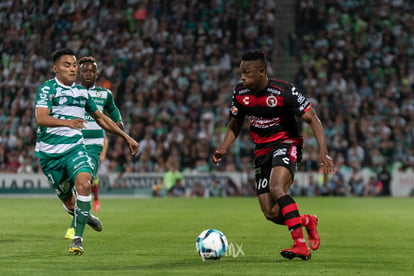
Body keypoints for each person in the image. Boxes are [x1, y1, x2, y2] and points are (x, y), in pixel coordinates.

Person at [212, 50, 335, 261]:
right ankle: (306, 221)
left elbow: (313, 119)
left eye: (247, 72)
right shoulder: (240, 93)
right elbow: (235, 123)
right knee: (271, 213)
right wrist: (224, 147)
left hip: (286, 143)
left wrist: (323, 152)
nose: (242, 77)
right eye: (241, 72)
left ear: (261, 72)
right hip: (261, 152)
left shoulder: (284, 91)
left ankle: (300, 246)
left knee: (277, 187)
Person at [35, 48, 139, 255]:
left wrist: (126, 137)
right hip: (49, 155)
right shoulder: (47, 89)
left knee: (84, 182)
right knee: (68, 202)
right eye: (67, 65)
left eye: (74, 65)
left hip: (76, 148)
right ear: (55, 69)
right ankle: (86, 216)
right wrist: (67, 122)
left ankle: (78, 239)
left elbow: (101, 118)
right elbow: (41, 117)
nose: (72, 69)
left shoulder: (83, 93)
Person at [78, 56, 125, 212]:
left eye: (92, 71)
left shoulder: (104, 93)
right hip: (74, 142)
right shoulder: (71, 92)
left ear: (97, 74)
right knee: (75, 181)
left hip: (94, 143)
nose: (88, 73)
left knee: (87, 178)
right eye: (85, 70)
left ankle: (84, 213)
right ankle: (82, 210)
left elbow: (112, 108)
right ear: (79, 73)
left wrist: (118, 120)